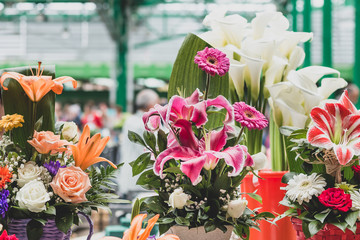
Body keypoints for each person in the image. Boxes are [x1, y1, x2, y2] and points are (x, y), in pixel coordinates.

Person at [119, 89, 160, 199]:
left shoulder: (129, 120)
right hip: (142, 182)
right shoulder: (147, 124)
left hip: (128, 179)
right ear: (151, 105)